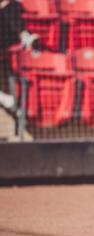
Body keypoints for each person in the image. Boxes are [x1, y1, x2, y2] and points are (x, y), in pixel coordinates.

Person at [0, 0, 39, 139]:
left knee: (9, 8)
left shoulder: (11, 6)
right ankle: (4, 99)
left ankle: (25, 36)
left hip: (5, 38)